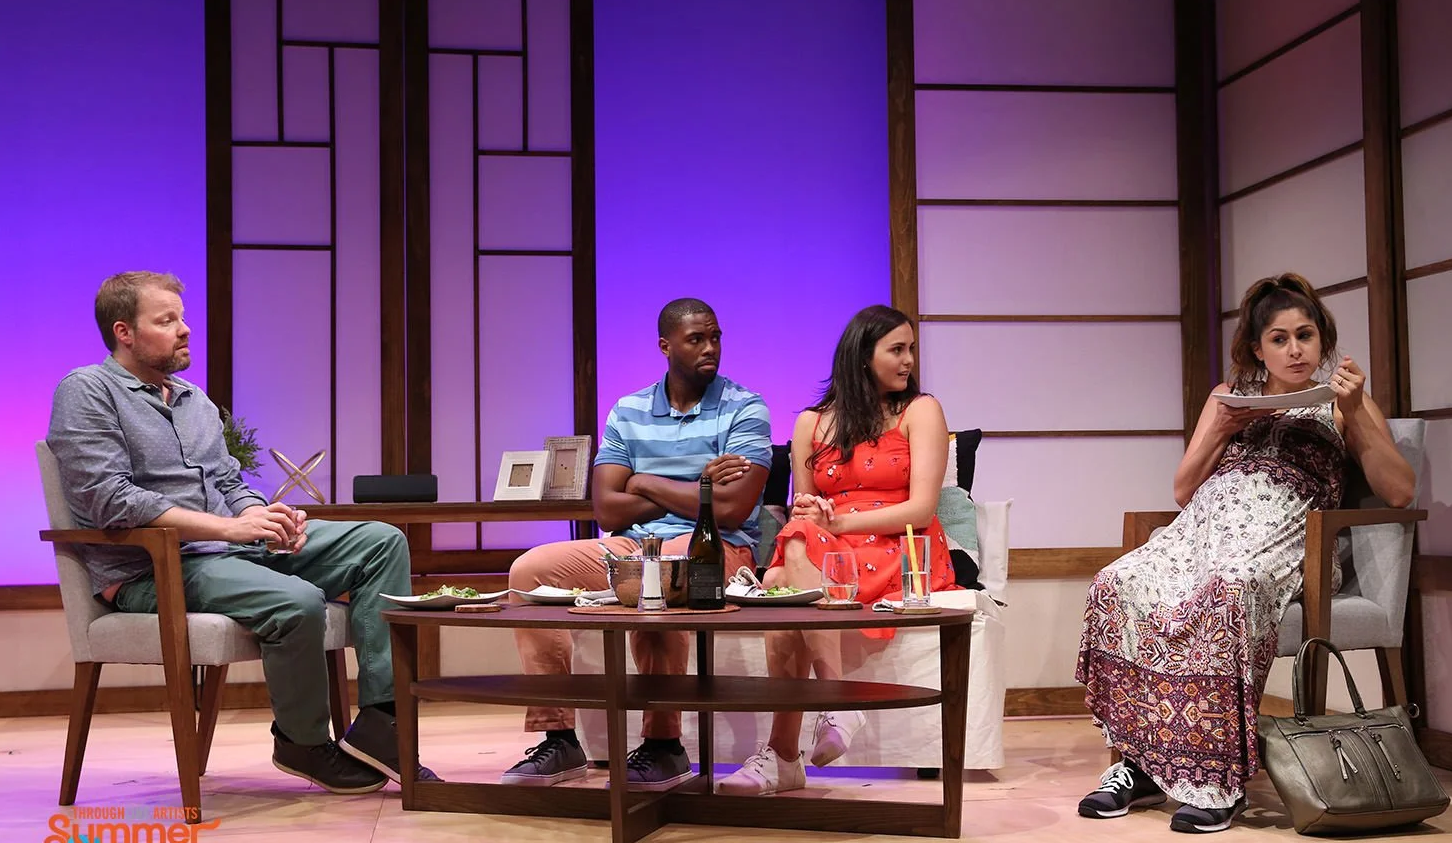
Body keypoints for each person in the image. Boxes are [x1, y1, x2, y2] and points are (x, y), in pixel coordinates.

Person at [47, 272, 439, 795]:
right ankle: (301, 742)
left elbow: (229, 480)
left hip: (229, 550)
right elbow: (110, 500)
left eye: (182, 318)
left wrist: (268, 518)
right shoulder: (86, 391)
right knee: (297, 600)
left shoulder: (193, 400)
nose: (185, 330)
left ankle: (381, 721)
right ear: (124, 332)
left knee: (381, 540)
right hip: (153, 568)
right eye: (166, 321)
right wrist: (232, 528)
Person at [1075, 273, 1416, 833]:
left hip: (1286, 539)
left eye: (1305, 335)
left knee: (1227, 589)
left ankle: (1218, 781)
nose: (1295, 349)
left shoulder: (1343, 402)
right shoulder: (1228, 396)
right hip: (1203, 530)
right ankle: (1140, 764)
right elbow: (1183, 490)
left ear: (1322, 340)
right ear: (1257, 349)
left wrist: (1354, 414)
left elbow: (1400, 491)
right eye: (1278, 339)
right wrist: (1221, 429)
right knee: (1119, 582)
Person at [501, 298, 771, 791]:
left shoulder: (745, 407)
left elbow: (731, 510)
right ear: (665, 346)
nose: (710, 348)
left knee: (662, 572)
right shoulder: (628, 410)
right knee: (528, 570)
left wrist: (641, 483)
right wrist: (695, 485)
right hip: (634, 546)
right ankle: (559, 737)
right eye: (696, 339)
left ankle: (664, 744)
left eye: (716, 338)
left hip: (715, 550)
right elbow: (607, 510)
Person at [717, 305, 958, 796]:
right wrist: (811, 514)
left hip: (901, 546)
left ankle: (787, 752)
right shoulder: (810, 422)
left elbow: (920, 508)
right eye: (896, 349)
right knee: (783, 569)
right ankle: (834, 706)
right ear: (861, 356)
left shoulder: (920, 410)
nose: (909, 360)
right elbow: (802, 508)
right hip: (827, 547)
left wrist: (838, 521)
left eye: (910, 348)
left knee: (782, 577)